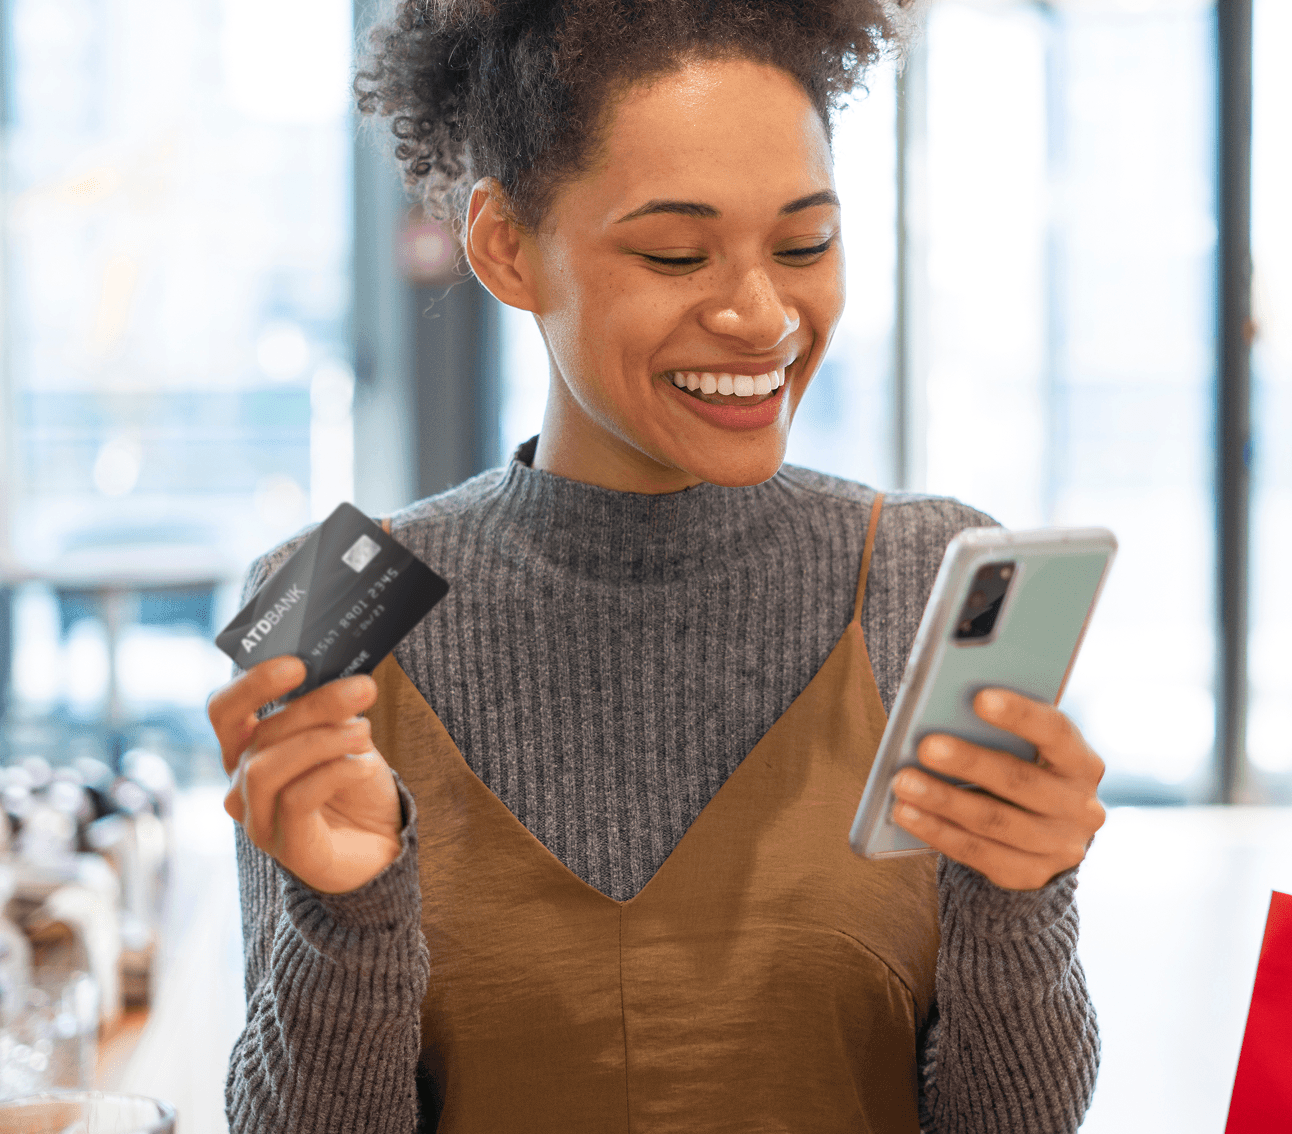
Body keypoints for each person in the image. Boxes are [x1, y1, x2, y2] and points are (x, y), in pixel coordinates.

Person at [211, 1, 1107, 1129]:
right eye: (675, 252)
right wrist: (342, 916)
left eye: (805, 243)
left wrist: (1024, 896)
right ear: (503, 246)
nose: (762, 316)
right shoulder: (321, 597)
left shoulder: (929, 574)